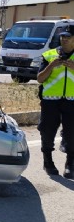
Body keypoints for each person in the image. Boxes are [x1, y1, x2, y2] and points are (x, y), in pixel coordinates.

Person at [36, 24, 74, 178]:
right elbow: (40, 79)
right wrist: (51, 65)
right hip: (50, 101)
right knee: (47, 131)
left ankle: (70, 163)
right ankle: (48, 162)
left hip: (72, 101)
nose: (64, 39)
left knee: (72, 134)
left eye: (68, 37)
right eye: (62, 36)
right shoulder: (49, 55)